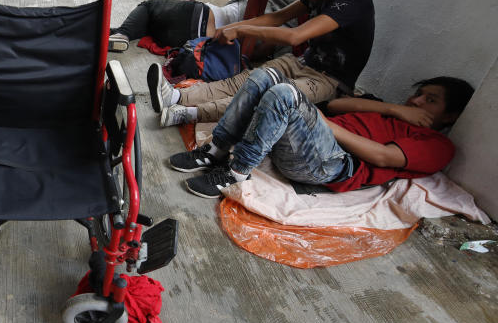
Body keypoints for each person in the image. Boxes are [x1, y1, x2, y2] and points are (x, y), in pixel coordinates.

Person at [148, 0, 375, 125]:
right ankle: (176, 97)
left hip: (329, 82)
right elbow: (276, 18)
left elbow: (296, 36)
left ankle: (188, 114)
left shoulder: (355, 2)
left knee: (264, 97)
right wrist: (225, 30)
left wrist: (241, 29)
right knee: (245, 81)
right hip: (303, 63)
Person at [168, 72, 473, 199]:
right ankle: (217, 149)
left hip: (332, 165)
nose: (417, 102)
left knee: (286, 94)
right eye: (418, 95)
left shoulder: (437, 145)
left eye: (430, 100)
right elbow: (339, 103)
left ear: (450, 116)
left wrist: (325, 125)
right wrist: (395, 109)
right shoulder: (391, 112)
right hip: (315, 141)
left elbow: (382, 156)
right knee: (265, 76)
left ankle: (236, 172)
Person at [108, 0, 298, 52]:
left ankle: (123, 34)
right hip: (199, 43)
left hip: (201, 17)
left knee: (149, 7)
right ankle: (118, 34)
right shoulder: (287, 41)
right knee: (150, 26)